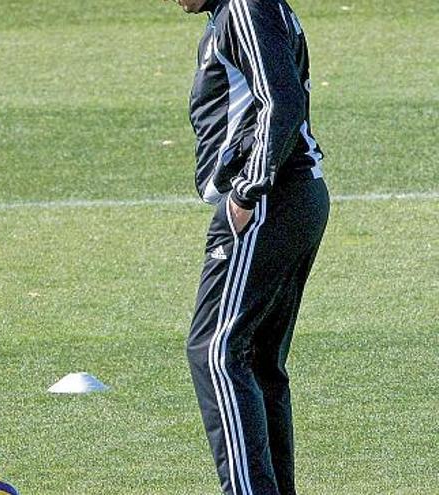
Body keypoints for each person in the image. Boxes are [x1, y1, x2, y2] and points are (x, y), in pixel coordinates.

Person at [165, 0, 330, 494]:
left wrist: (247, 188)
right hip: (293, 195)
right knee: (256, 359)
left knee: (215, 351)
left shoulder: (242, 5)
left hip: (269, 199)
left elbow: (280, 98)